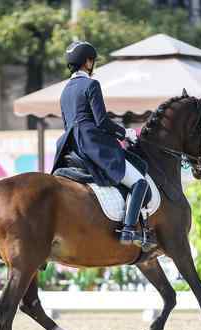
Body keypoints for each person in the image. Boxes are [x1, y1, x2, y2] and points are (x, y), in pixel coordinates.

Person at [51, 41, 150, 247]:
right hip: (92, 145)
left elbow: (68, 122)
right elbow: (102, 121)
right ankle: (129, 230)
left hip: (70, 146)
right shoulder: (91, 85)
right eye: (92, 61)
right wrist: (125, 133)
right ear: (88, 62)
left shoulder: (65, 90)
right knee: (139, 182)